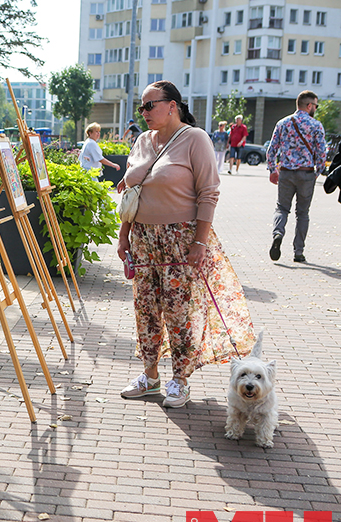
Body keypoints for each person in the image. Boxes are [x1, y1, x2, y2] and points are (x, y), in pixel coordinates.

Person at [115, 80, 255, 408]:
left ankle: (180, 379)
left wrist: (199, 242)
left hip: (180, 239)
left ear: (172, 105)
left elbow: (209, 192)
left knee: (178, 312)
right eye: (142, 107)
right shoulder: (142, 141)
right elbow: (130, 194)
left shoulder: (195, 139)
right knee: (145, 310)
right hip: (144, 238)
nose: (144, 112)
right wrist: (124, 236)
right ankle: (150, 377)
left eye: (150, 105)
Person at [265, 90, 326, 264]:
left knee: (282, 208)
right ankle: (298, 252)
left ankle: (277, 234)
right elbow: (322, 152)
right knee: (303, 213)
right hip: (306, 173)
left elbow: (272, 149)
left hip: (285, 172)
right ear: (309, 106)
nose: (315, 108)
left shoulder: (282, 123)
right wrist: (318, 172)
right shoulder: (316, 125)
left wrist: (272, 169)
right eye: (315, 105)